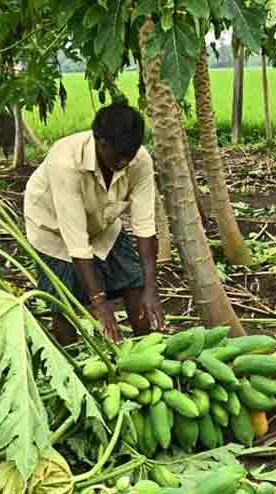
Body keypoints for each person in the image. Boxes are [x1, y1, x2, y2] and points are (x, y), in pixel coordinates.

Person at [23, 100, 165, 343]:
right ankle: (72, 363)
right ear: (100, 141)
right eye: (117, 155)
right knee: (64, 302)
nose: (123, 162)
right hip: (54, 230)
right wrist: (99, 302)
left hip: (103, 225)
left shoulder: (139, 160)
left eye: (128, 156)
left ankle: (147, 345)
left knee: (135, 282)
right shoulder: (65, 162)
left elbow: (145, 228)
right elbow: (76, 241)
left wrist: (151, 289)